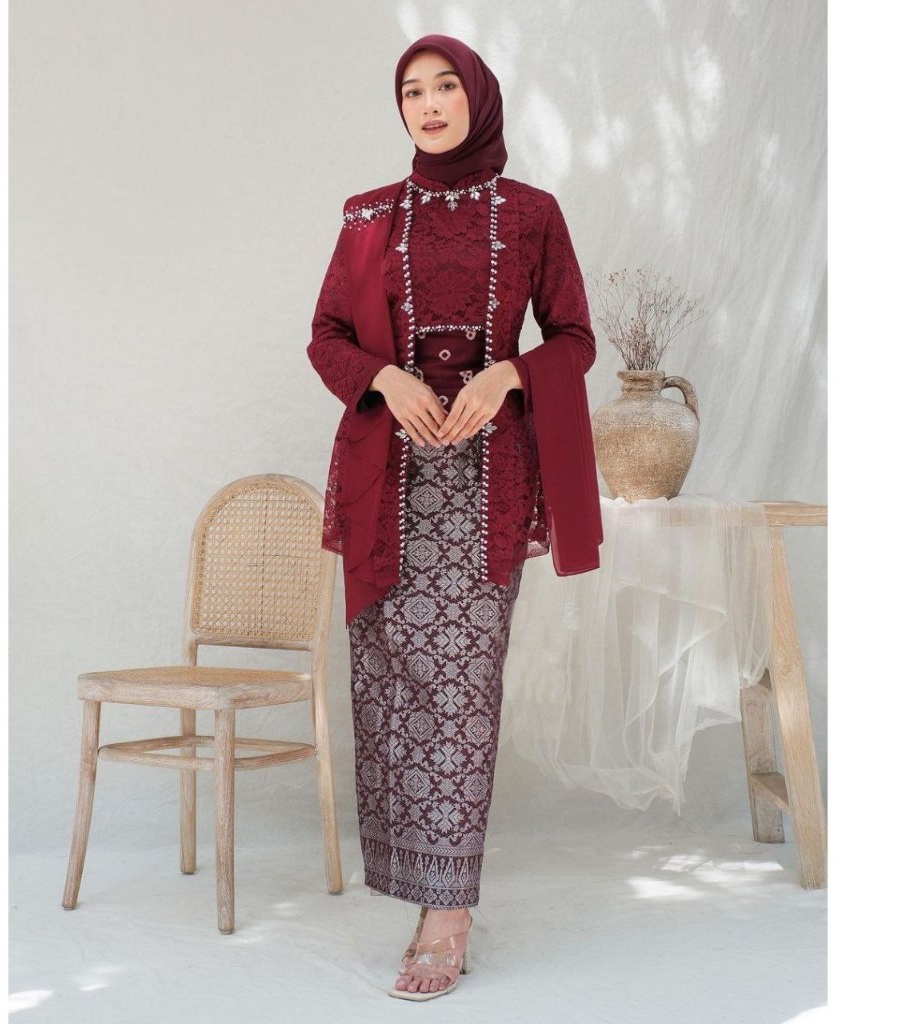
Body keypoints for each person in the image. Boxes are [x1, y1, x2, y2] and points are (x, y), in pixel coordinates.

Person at [307, 33, 603, 1001]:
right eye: (412, 91)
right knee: (392, 686)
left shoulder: (531, 214)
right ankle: (416, 885)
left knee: (464, 693)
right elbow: (324, 337)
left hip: (486, 486)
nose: (429, 104)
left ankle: (449, 916)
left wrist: (508, 374)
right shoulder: (367, 217)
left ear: (478, 98)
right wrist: (384, 378)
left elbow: (575, 339)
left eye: (445, 87)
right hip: (385, 486)